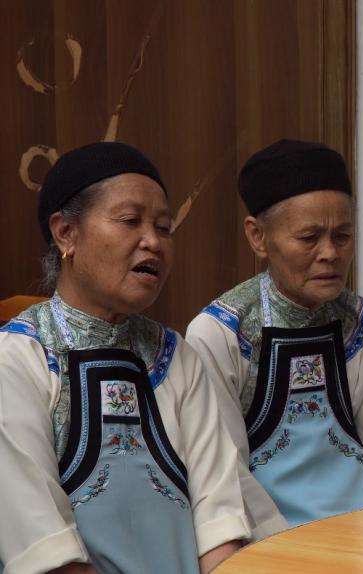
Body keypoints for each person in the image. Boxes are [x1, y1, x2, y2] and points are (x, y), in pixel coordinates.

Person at [0, 142, 249, 573]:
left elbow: (219, 524)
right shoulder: (18, 358)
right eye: (130, 221)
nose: (153, 242)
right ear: (66, 233)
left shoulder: (176, 356)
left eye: (164, 227)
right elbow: (46, 554)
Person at [185, 139, 363, 530]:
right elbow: (227, 475)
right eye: (309, 238)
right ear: (258, 237)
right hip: (266, 544)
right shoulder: (221, 334)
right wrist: (286, 550)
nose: (330, 253)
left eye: (342, 236)